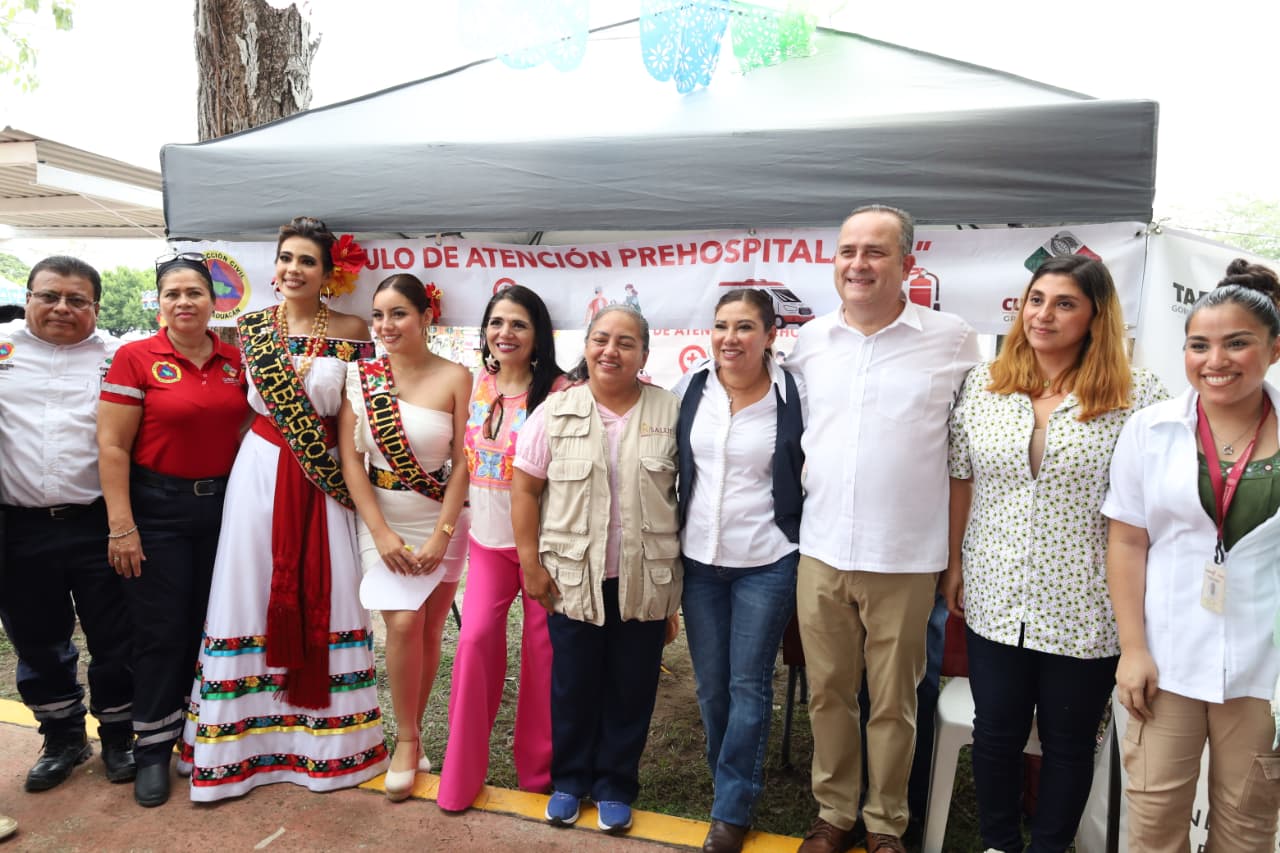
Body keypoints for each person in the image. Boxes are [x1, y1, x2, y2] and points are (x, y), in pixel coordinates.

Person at [942, 255, 1167, 852]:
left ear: (1096, 316)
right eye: (1036, 300)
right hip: (995, 591)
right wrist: (955, 563)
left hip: (1087, 603)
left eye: (1065, 303)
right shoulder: (986, 383)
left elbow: (1155, 499)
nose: (1043, 315)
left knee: (1068, 742)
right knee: (996, 732)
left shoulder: (1138, 395)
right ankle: (998, 844)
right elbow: (962, 477)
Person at [785, 205, 980, 853]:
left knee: (896, 701)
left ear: (907, 262)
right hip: (821, 550)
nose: (858, 264)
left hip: (905, 557)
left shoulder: (952, 339)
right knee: (828, 693)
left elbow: (965, 454)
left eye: (875, 251)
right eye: (848, 251)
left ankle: (885, 823)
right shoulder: (811, 342)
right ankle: (835, 812)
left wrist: (956, 557)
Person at [178, 216, 386, 801]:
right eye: (286, 258)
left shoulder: (354, 330)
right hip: (259, 472)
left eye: (307, 261)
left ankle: (326, 744)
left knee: (330, 587)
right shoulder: (249, 326)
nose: (294, 269)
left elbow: (361, 414)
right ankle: (240, 743)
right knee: (247, 587)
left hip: (324, 474)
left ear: (328, 272)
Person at [1104, 259, 1280, 852]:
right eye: (1199, 345)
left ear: (1274, 349)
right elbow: (1127, 540)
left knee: (1248, 828)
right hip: (1167, 660)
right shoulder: (1150, 430)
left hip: (1265, 669)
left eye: (1238, 343)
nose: (1216, 360)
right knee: (1154, 825)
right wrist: (1133, 649)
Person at [512, 304, 682, 835]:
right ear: (585, 347)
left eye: (626, 343)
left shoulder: (670, 411)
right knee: (573, 685)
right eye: (601, 340)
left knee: (632, 688)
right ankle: (568, 782)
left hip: (644, 579)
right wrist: (530, 564)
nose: (611, 351)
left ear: (644, 355)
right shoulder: (554, 411)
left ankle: (614, 785)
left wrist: (676, 600)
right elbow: (525, 489)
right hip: (572, 579)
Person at [97, 252, 250, 807]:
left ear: (214, 301)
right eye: (173, 293)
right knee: (160, 631)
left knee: (211, 626)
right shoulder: (135, 358)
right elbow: (112, 446)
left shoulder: (236, 360)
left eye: (194, 292)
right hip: (157, 512)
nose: (184, 302)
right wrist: (122, 526)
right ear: (159, 302)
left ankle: (200, 737)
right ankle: (153, 750)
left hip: (225, 511)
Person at [673, 288, 804, 853]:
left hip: (766, 558)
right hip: (700, 561)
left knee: (748, 683)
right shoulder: (691, 388)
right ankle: (727, 779)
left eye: (745, 327)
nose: (730, 338)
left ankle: (731, 808)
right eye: (722, 325)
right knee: (711, 686)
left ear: (771, 335)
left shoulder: (794, 395)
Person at [0, 257, 135, 793]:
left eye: (77, 300)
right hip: (18, 527)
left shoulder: (117, 357)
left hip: (99, 522)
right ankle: (62, 737)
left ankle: (120, 735)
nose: (62, 308)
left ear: (95, 308)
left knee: (117, 637)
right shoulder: (3, 351)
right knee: (37, 639)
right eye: (49, 296)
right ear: (28, 299)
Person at [338, 274, 471, 801]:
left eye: (398, 314)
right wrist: (381, 532)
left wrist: (442, 533)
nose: (386, 325)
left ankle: (412, 734)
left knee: (430, 628)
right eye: (378, 315)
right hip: (383, 520)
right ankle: (407, 740)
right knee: (402, 621)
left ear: (425, 317)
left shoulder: (457, 376)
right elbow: (352, 460)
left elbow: (464, 461)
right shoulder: (361, 376)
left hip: (441, 522)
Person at [437, 284, 567, 811]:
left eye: (518, 324)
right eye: (496, 322)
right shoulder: (475, 386)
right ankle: (460, 776)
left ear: (538, 335)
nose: (505, 333)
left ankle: (539, 777)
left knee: (544, 656)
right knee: (474, 644)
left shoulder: (560, 394)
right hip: (488, 543)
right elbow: (461, 462)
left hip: (545, 548)